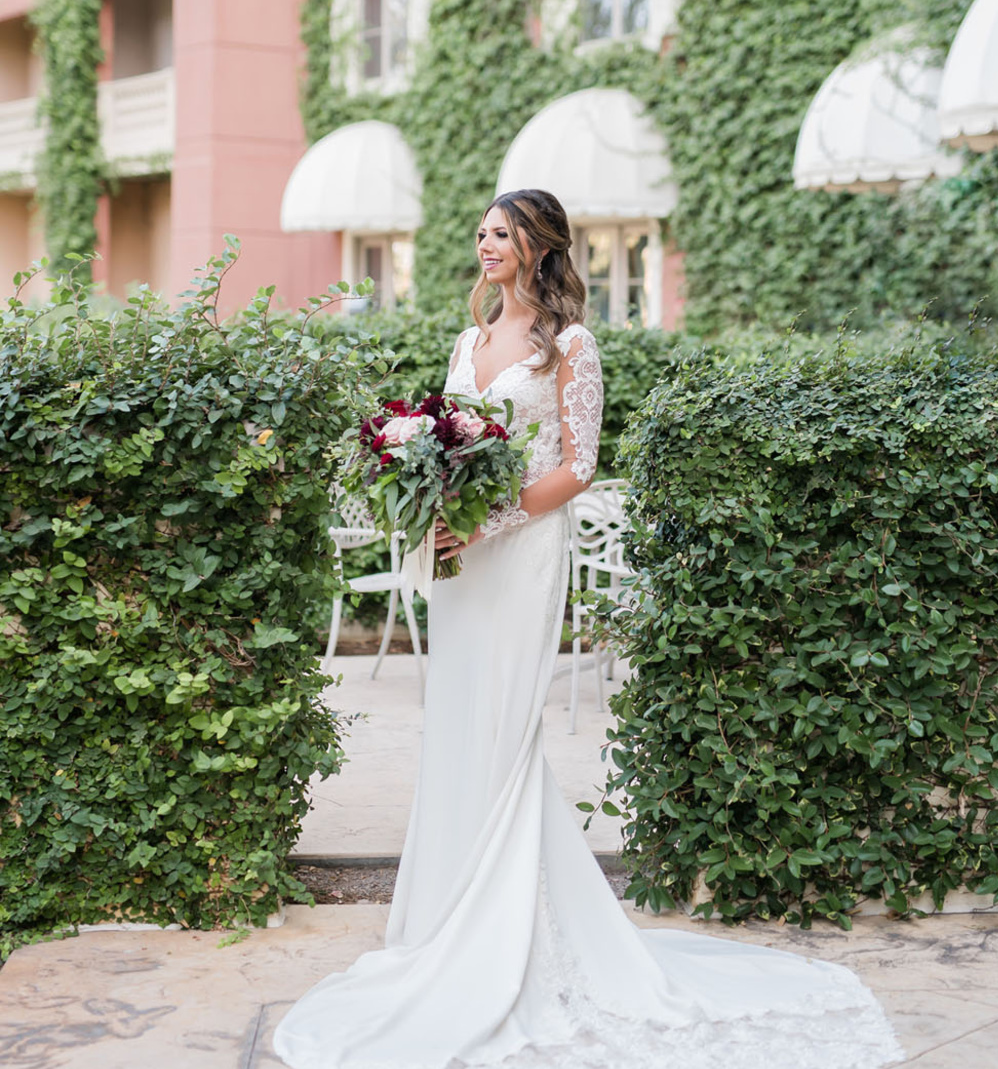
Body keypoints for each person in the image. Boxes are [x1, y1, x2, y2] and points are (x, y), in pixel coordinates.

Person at [273, 189, 903, 1069]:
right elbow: (451, 443)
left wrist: (488, 520)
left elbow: (579, 463)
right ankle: (448, 921)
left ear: (540, 247)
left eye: (505, 232)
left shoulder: (569, 344)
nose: (489, 242)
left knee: (503, 731)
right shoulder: (468, 340)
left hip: (520, 553)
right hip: (460, 565)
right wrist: (430, 503)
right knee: (458, 728)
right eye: (483, 229)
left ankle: (510, 943)